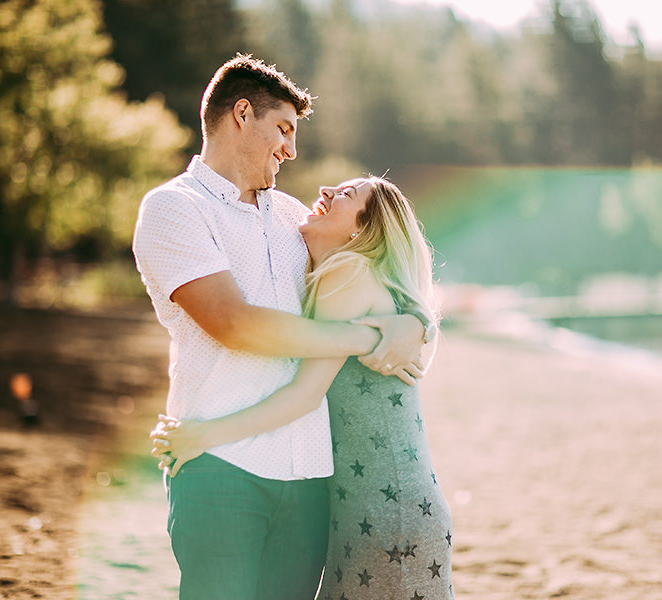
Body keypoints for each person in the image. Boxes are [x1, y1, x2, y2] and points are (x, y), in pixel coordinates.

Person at [132, 54, 429, 600]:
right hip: (220, 466)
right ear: (241, 113)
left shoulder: (297, 218)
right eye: (284, 130)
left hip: (312, 476)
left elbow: (372, 269)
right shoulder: (175, 209)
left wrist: (411, 323)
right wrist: (374, 338)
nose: (291, 151)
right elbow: (235, 325)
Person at [152, 175, 454, 599]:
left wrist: (203, 434)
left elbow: (304, 394)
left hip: (383, 513)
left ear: (361, 230)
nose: (327, 192)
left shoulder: (347, 273)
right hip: (390, 507)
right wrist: (417, 325)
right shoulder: (363, 279)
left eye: (346, 195)